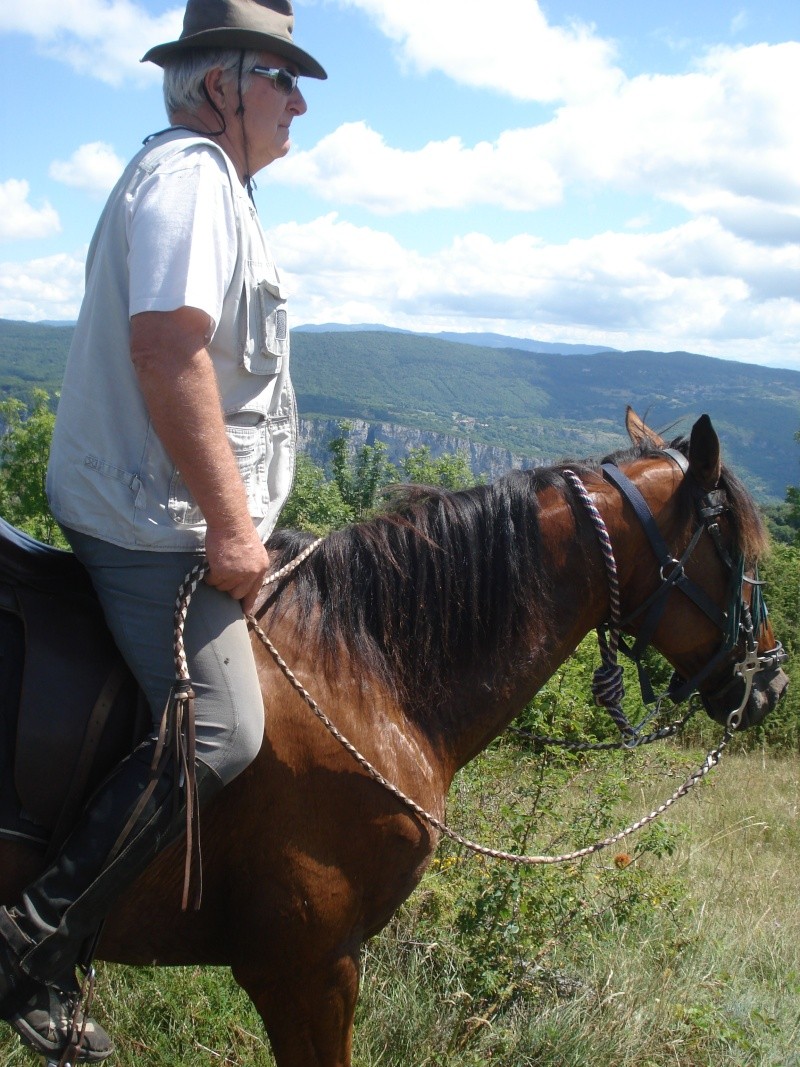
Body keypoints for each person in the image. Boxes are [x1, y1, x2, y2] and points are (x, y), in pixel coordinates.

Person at [0, 0, 326, 1060]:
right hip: (155, 521)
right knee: (223, 726)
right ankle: (31, 948)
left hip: (178, 505)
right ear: (221, 87)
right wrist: (234, 534)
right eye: (281, 78)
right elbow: (168, 350)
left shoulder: (211, 183)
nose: (297, 100)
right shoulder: (189, 178)